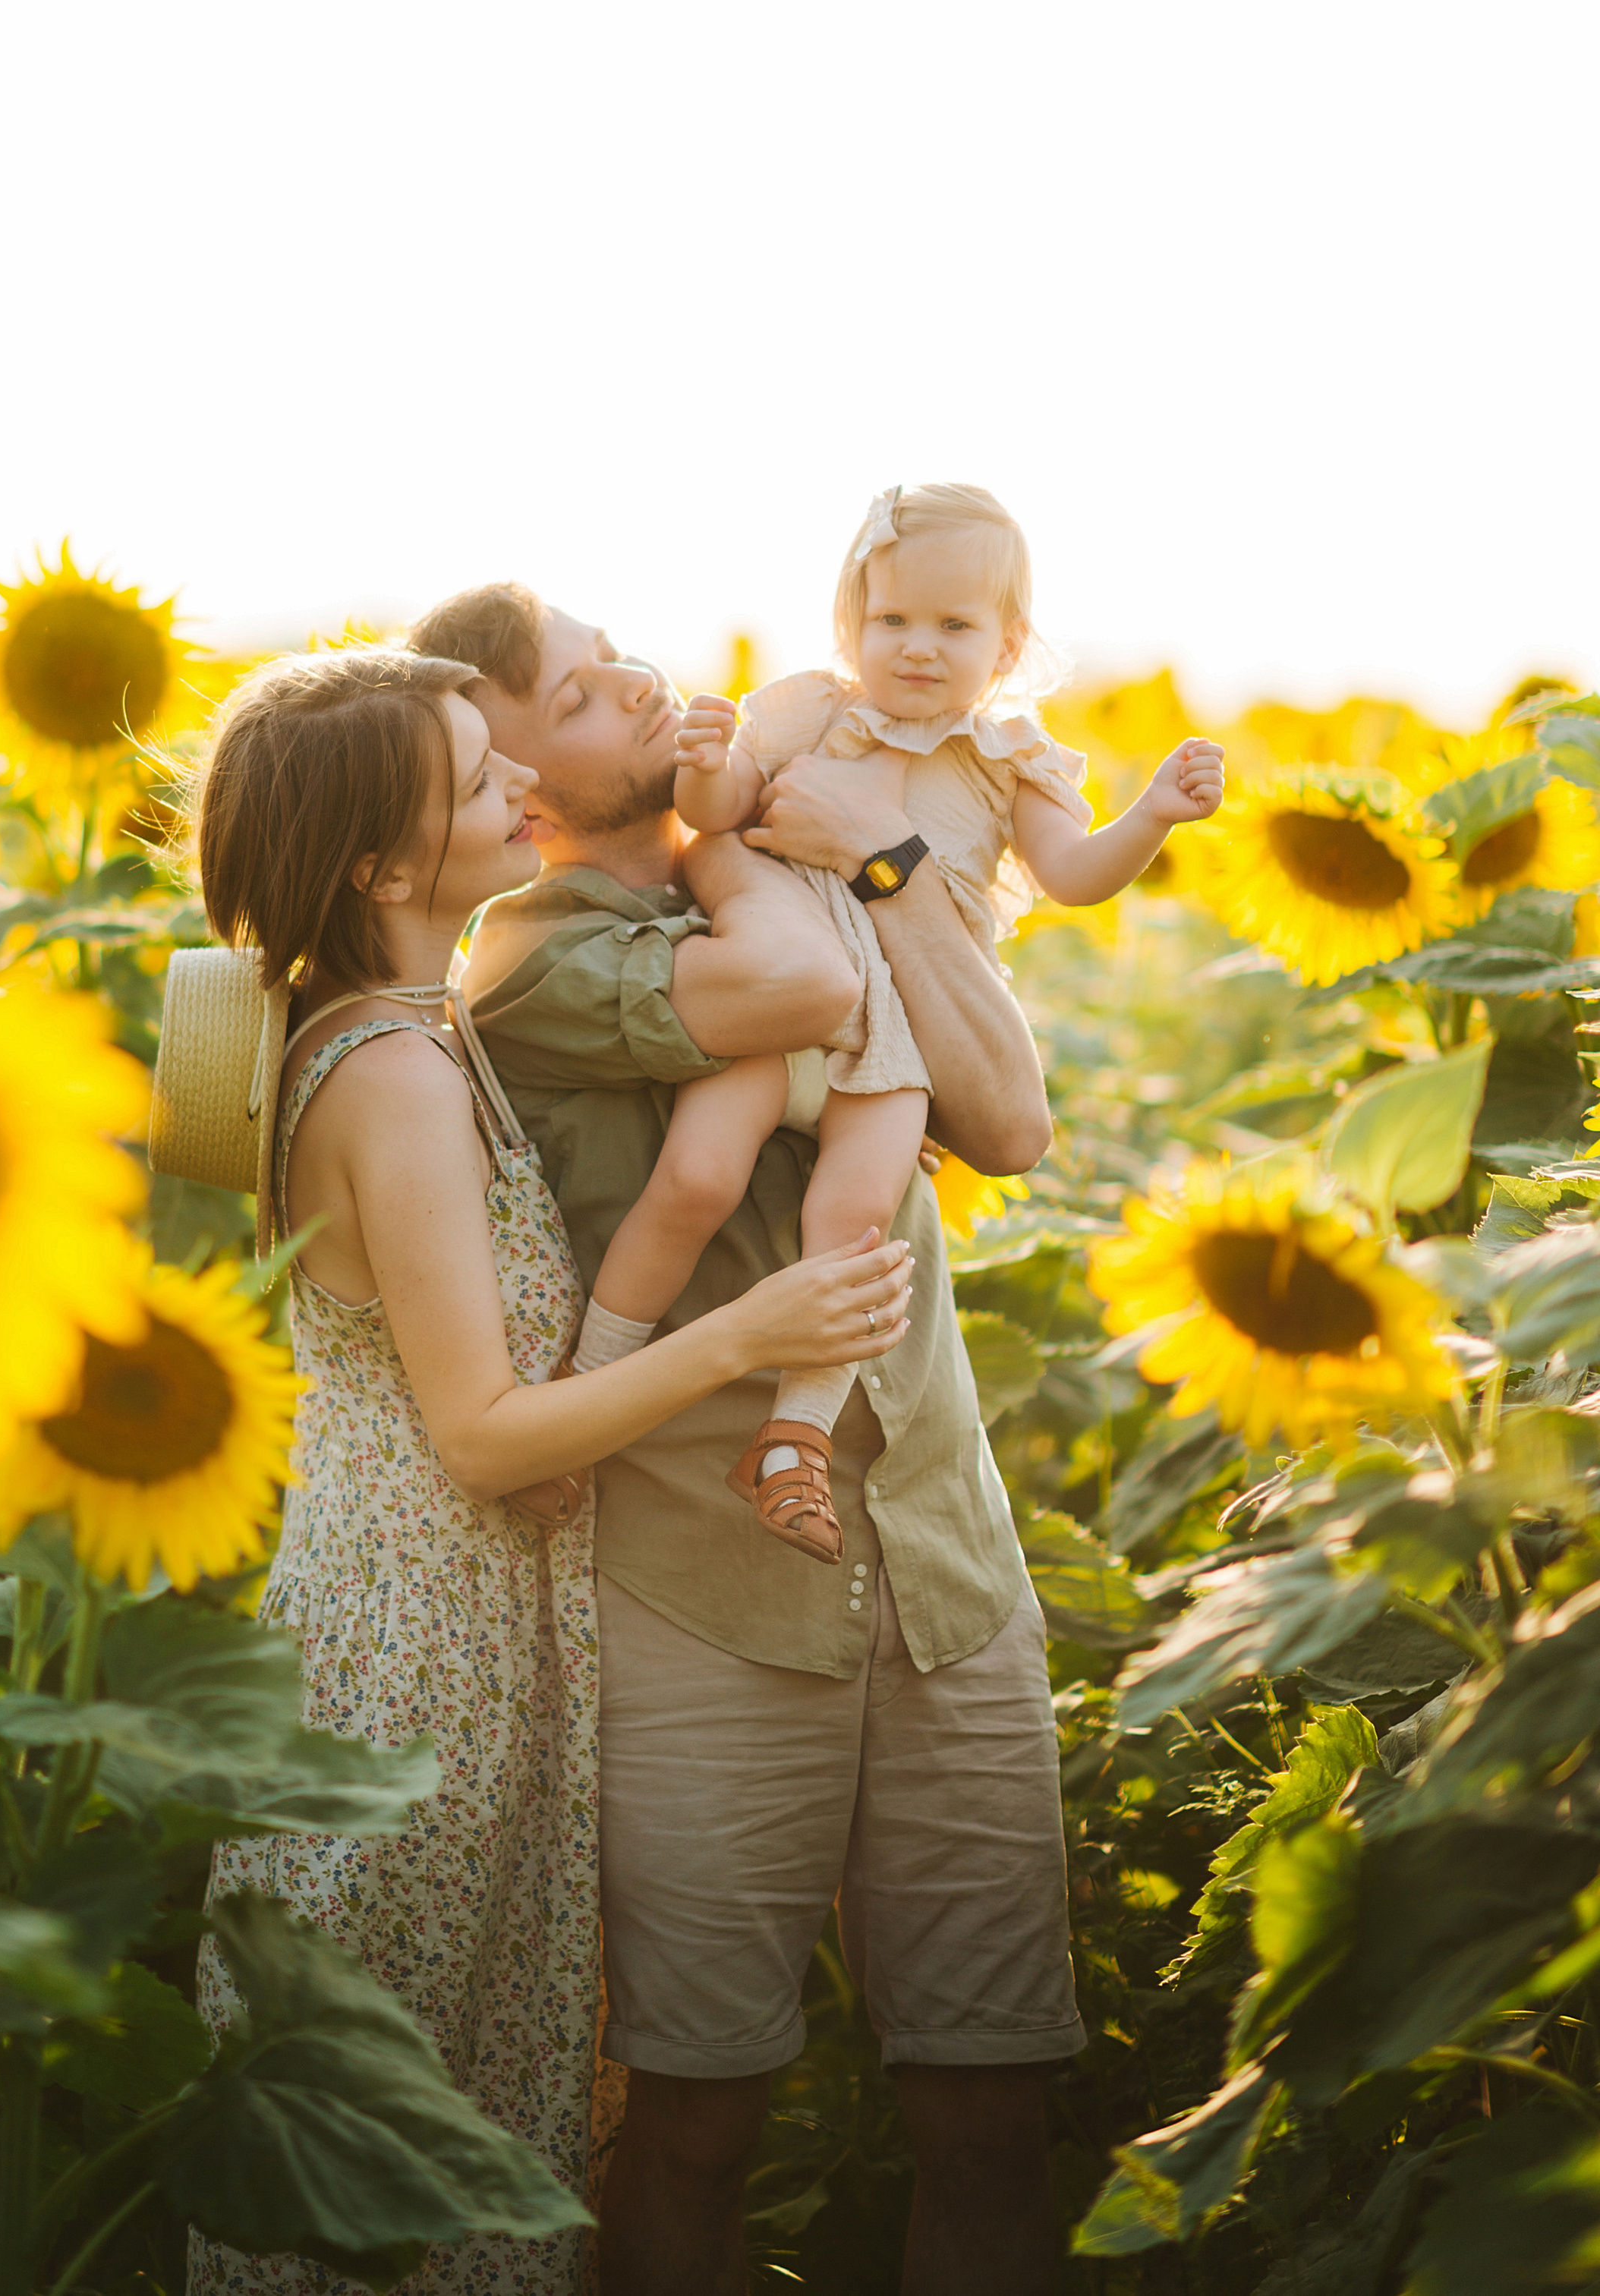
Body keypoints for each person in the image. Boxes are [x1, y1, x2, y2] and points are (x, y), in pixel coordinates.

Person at [182, 645, 914, 2296]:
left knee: (454, 2124)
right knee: (380, 2145)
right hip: (413, 1660)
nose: (523, 780)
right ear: (381, 865)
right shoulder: (388, 1072)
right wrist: (755, 1331)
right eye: (475, 778)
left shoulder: (413, 1034)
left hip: (463, 1632)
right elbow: (482, 1431)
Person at [405, 581, 1086, 2296]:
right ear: (513, 772)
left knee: (994, 2103)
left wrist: (884, 857)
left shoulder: (831, 862)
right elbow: (786, 996)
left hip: (940, 1557)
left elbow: (1005, 1119)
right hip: (702, 1590)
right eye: (575, 689)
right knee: (692, 2121)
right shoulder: (539, 962)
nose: (636, 674)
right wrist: (826, 854)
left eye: (610, 646)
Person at [578, 481, 1226, 1562]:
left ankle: (794, 1439)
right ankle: (590, 1386)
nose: (918, 648)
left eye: (955, 626)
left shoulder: (1008, 759)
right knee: (694, 1178)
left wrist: (1150, 814)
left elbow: (1073, 877)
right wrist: (704, 760)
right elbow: (722, 808)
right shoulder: (810, 713)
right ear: (852, 622)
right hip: (785, 998)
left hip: (899, 1042)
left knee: (854, 1226)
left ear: (1009, 643)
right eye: (893, 622)